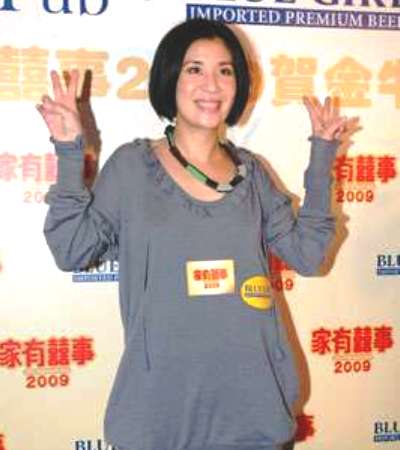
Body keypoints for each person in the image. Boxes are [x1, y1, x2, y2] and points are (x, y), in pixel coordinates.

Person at [38, 18, 349, 450]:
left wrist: (321, 160)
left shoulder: (252, 174)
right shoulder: (132, 167)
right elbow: (72, 250)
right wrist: (70, 151)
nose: (212, 85)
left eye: (225, 70)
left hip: (252, 413)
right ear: (171, 78)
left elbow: (309, 256)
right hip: (159, 416)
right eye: (195, 69)